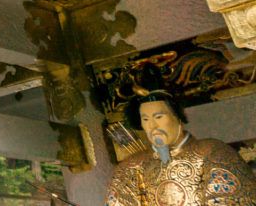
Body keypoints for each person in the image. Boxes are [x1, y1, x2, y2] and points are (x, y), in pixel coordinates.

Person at [105, 77, 256, 204]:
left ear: (177, 117)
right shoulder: (130, 167)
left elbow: (233, 199)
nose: (152, 126)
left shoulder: (211, 151)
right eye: (145, 119)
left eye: (159, 117)